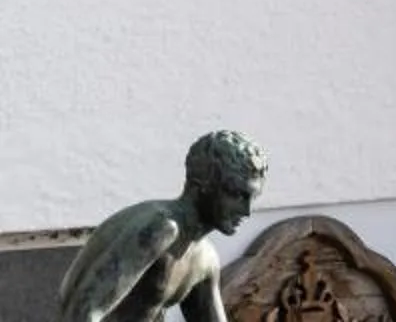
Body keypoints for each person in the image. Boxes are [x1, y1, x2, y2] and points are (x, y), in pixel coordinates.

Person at [56, 130, 266, 322]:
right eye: (237, 194)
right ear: (203, 184)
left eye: (251, 198)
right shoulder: (160, 227)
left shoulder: (205, 259)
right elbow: (83, 312)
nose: (246, 211)